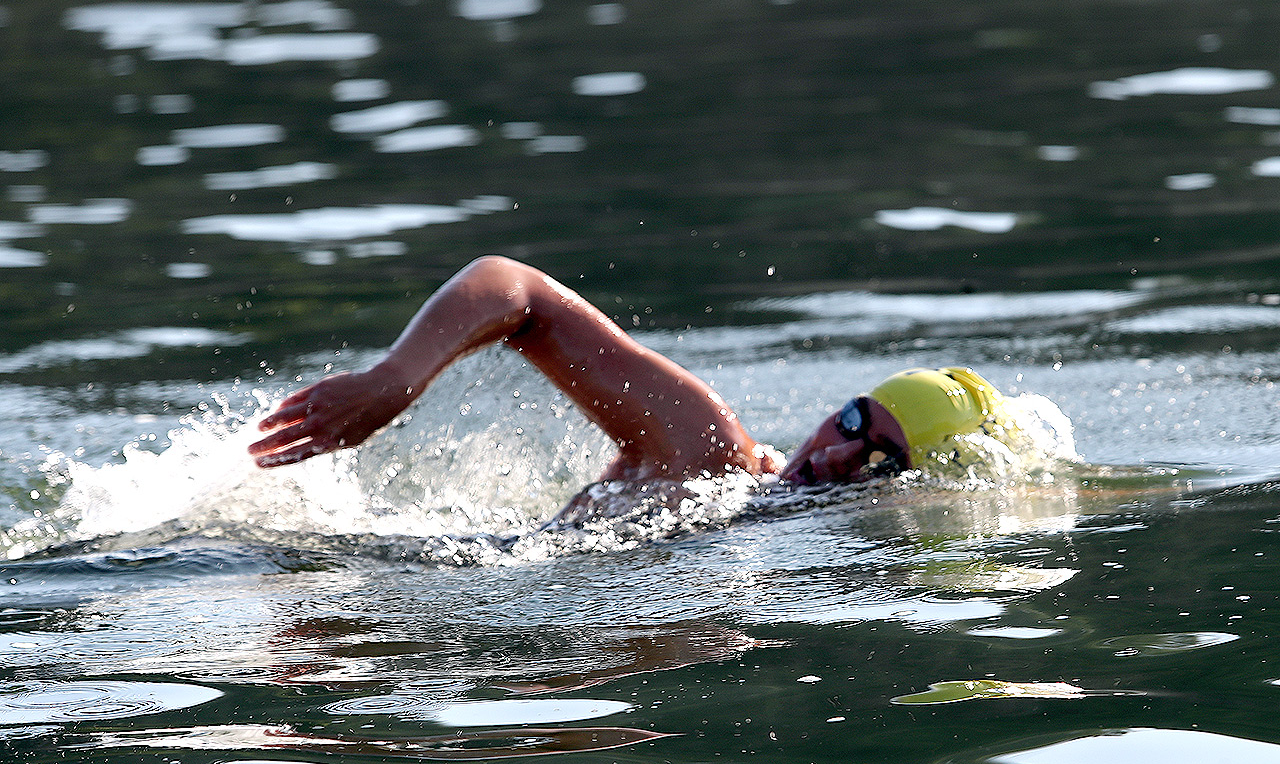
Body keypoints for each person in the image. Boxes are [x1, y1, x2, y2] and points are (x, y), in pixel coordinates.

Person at [250, 256, 1003, 489]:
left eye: (879, 462)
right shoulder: (710, 455)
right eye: (850, 421)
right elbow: (520, 290)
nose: (839, 453)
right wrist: (397, 378)